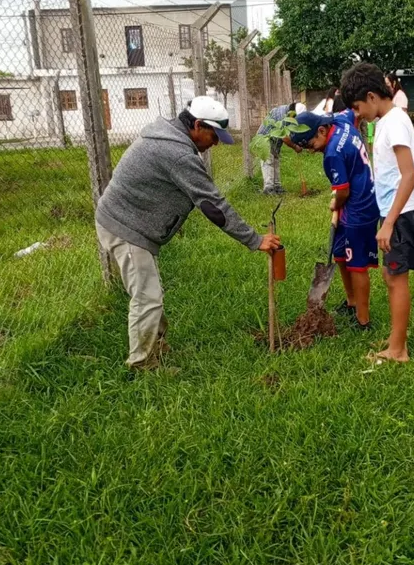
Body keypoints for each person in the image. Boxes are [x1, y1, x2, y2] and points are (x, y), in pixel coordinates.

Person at [95, 96, 281, 370]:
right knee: (147, 296)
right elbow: (213, 206)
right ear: (196, 125)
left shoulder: (168, 137)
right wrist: (254, 240)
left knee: (150, 291)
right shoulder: (178, 154)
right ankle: (142, 364)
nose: (216, 143)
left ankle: (156, 347)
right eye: (213, 135)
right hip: (125, 226)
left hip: (128, 220)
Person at [341, 62, 414, 364]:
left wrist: (389, 223)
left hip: (401, 213)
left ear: (372, 96)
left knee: (395, 278)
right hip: (395, 210)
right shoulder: (387, 121)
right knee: (392, 277)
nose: (357, 113)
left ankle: (398, 350)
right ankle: (395, 340)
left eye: (357, 106)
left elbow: (409, 175)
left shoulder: (394, 122)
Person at [290, 112, 379, 330]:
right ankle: (351, 302)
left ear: (321, 131)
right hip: (353, 202)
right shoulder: (340, 121)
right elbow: (353, 112)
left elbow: (343, 192)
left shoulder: (332, 154)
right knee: (340, 254)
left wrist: (335, 203)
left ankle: (363, 320)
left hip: (360, 208)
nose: (311, 150)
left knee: (357, 264)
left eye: (311, 144)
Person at [256, 101, 306, 195]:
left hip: (274, 141)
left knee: (275, 161)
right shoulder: (283, 116)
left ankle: (277, 187)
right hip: (264, 140)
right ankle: (268, 189)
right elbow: (285, 138)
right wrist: (295, 147)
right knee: (268, 162)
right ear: (293, 112)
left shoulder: (287, 111)